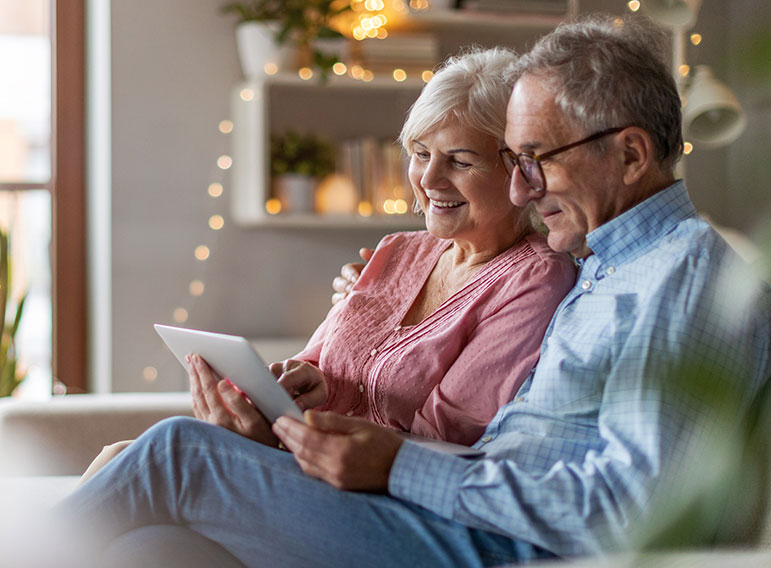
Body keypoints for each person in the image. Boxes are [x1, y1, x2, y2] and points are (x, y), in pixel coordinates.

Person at [55, 14, 771, 567]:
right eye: (516, 162)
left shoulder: (684, 278)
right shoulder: (608, 264)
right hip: (471, 519)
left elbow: (634, 511)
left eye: (536, 161)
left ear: (629, 155)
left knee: (176, 455)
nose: (524, 188)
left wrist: (401, 467)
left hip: (497, 546)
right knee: (143, 527)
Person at [76, 47, 577, 486]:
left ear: (520, 172)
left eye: (460, 161)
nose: (427, 179)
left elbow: (444, 438)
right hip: (303, 460)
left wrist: (280, 438)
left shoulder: (536, 277)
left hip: (372, 496)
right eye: (420, 153)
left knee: (157, 451)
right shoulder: (398, 250)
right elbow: (320, 367)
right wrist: (299, 386)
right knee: (124, 468)